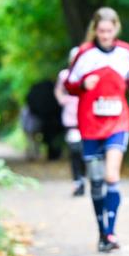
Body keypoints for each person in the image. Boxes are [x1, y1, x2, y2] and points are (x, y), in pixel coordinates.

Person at [64, 7, 129, 253]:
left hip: (118, 121)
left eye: (110, 31)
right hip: (90, 123)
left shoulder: (125, 52)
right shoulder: (84, 54)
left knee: (112, 175)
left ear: (116, 29)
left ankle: (111, 232)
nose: (106, 36)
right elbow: (69, 84)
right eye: (101, 31)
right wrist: (81, 84)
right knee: (96, 182)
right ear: (95, 31)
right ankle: (102, 232)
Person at [56, 60, 86, 196]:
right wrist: (63, 100)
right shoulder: (64, 75)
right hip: (71, 120)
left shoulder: (88, 74)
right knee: (75, 151)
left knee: (86, 153)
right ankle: (77, 181)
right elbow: (58, 90)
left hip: (87, 120)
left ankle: (84, 179)